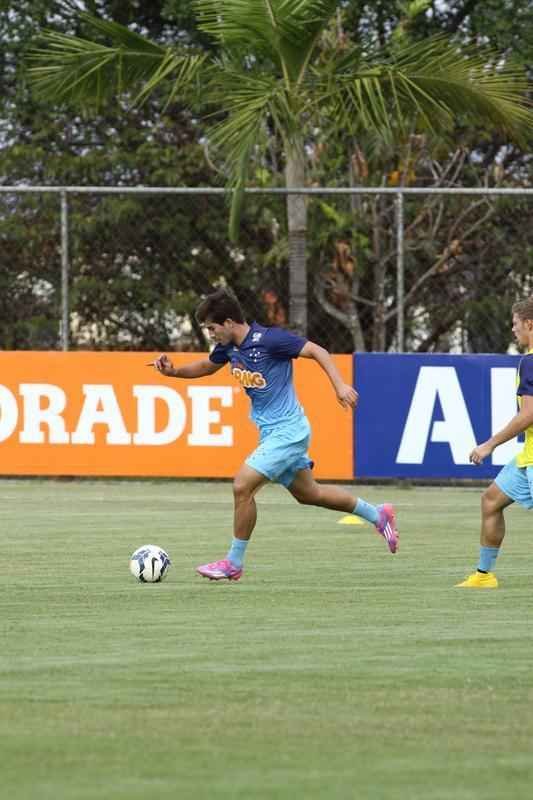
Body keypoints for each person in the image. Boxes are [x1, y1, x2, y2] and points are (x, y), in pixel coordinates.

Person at [151, 288, 399, 581]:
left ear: (229, 322)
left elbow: (317, 350)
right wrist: (173, 372)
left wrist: (340, 386)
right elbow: (206, 366)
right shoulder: (230, 348)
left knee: (242, 486)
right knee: (311, 494)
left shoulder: (269, 340)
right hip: (272, 434)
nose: (210, 334)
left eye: (211, 327)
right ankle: (378, 514)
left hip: (289, 433)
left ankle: (233, 562)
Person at [456, 297, 533, 589]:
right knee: (491, 500)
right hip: (527, 456)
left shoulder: (530, 362)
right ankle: (484, 575)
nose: (513, 329)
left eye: (515, 323)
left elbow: (528, 414)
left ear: (529, 324)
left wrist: (489, 444)